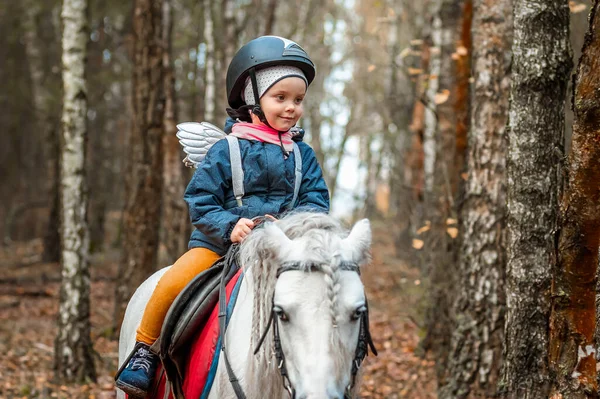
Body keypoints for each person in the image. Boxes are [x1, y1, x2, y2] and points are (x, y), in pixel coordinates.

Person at [116, 35, 330, 398]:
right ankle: (143, 352)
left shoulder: (302, 155)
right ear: (251, 99)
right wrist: (230, 225)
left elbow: (315, 200)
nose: (291, 107)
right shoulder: (225, 149)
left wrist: (293, 228)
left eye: (298, 100)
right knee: (174, 280)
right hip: (219, 245)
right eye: (280, 98)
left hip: (282, 249)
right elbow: (200, 199)